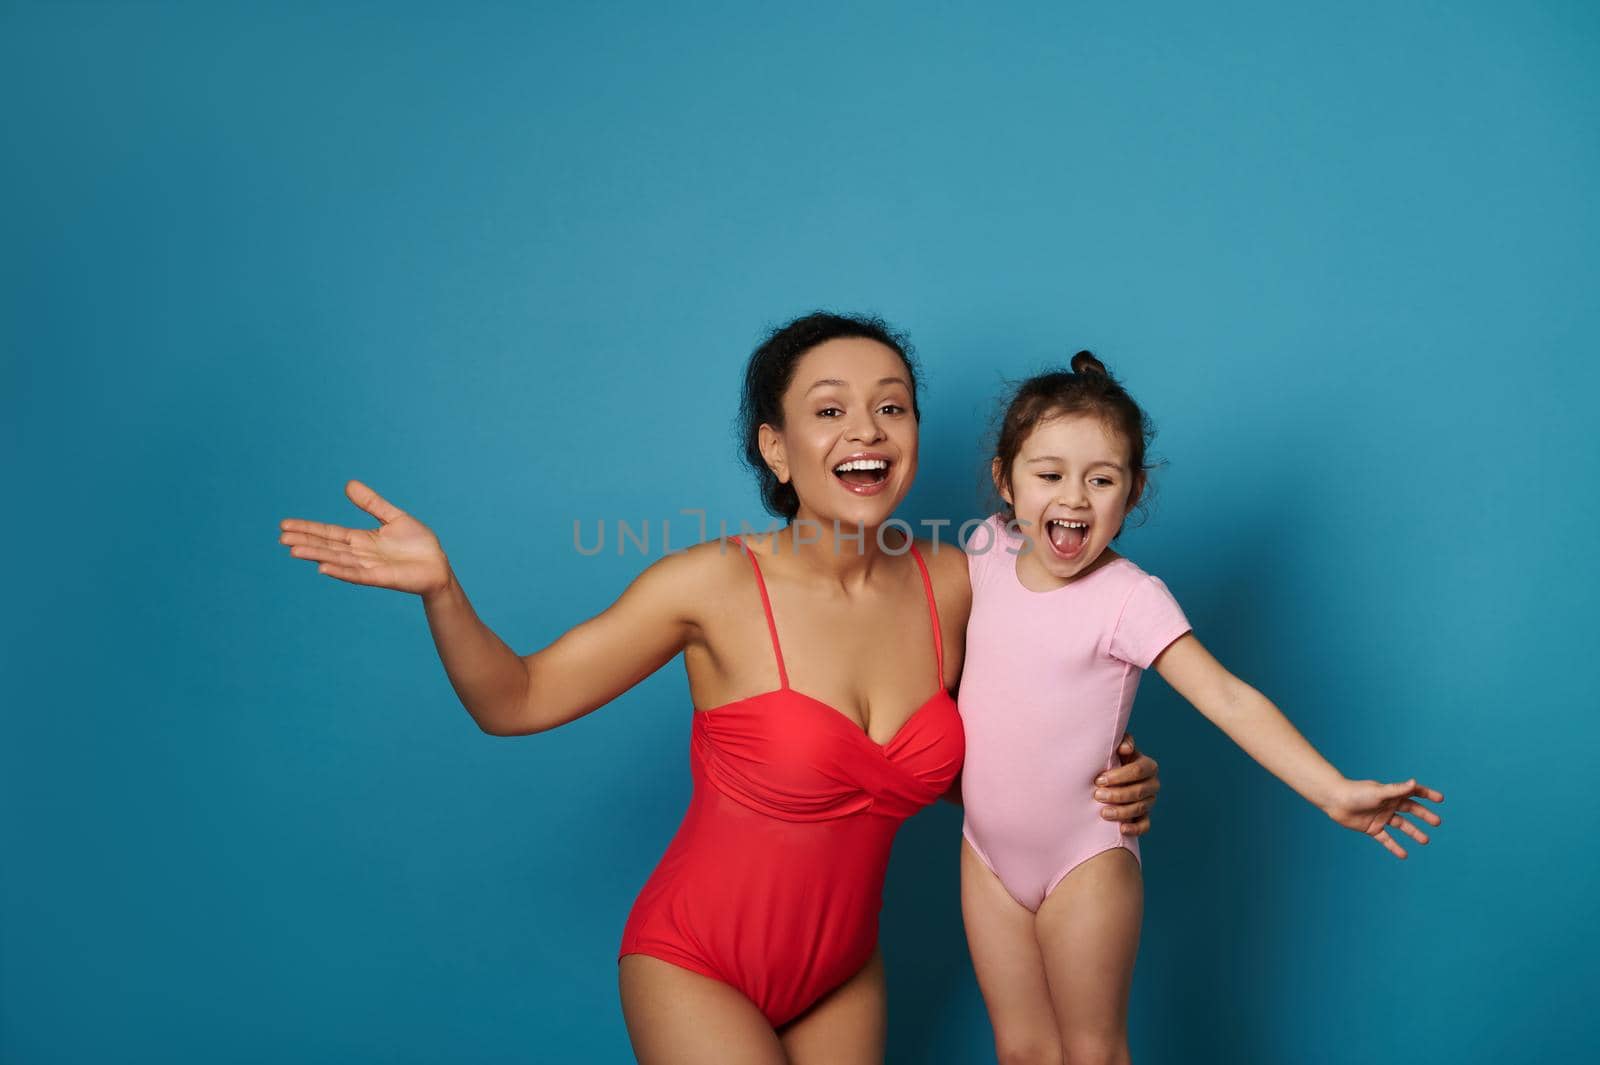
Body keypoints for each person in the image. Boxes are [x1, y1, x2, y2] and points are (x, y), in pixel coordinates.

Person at [277, 314, 1164, 1065]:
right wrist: (443, 590)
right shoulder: (708, 586)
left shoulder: (963, 581)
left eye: (892, 406)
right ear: (775, 449)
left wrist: (1114, 773)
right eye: (830, 411)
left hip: (845, 973)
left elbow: (1033, 722)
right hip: (694, 962)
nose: (868, 430)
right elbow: (515, 699)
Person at [956, 350, 1446, 1065]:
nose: (1075, 497)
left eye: (1102, 479)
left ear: (1134, 492)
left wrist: (1333, 791)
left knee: (1092, 1050)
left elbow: (1226, 695)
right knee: (1023, 1048)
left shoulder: (1131, 597)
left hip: (1082, 860)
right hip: (985, 856)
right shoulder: (984, 550)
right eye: (1049, 473)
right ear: (1005, 479)